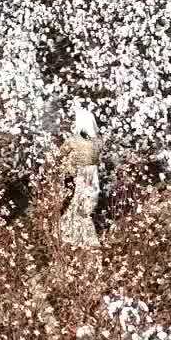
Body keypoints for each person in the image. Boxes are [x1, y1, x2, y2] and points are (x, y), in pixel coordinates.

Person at [57, 106, 102, 249]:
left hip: (78, 175)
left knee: (75, 203)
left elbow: (61, 153)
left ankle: (74, 234)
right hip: (92, 174)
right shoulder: (97, 141)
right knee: (86, 204)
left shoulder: (74, 140)